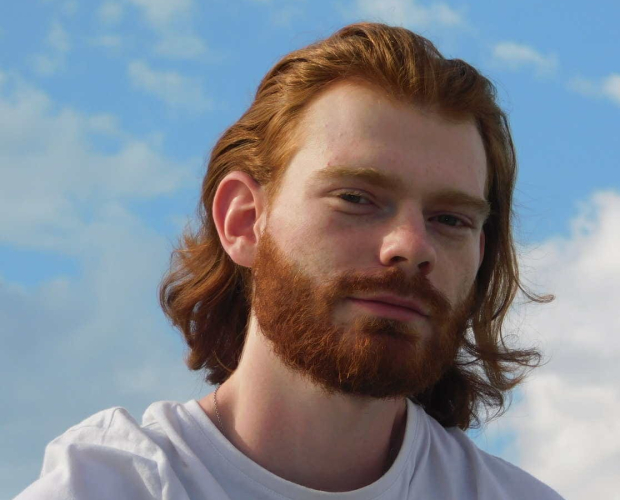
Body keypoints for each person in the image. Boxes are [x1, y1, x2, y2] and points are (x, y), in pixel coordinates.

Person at [16, 22, 561, 499]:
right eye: (356, 198)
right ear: (243, 221)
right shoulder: (109, 487)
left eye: (451, 219)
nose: (412, 245)